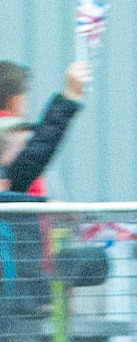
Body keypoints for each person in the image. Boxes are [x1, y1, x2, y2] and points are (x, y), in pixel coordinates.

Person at [1, 59, 90, 324]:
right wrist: (70, 96)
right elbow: (36, 154)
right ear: (16, 100)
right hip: (18, 287)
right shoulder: (13, 134)